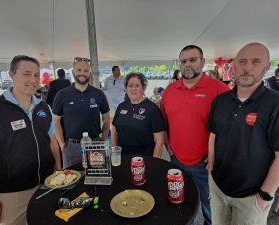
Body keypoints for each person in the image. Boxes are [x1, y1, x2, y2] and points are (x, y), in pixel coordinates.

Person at [0, 55, 61, 225]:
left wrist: (59, 172)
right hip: (13, 195)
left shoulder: (43, 107)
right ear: (11, 74)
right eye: (26, 74)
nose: (33, 80)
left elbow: (52, 142)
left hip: (47, 185)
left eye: (36, 75)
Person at [207, 43, 279, 225]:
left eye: (255, 62)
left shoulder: (274, 104)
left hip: (252, 194)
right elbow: (214, 134)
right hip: (218, 185)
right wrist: (211, 164)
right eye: (242, 62)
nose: (247, 67)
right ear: (235, 65)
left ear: (266, 67)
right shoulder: (220, 101)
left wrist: (265, 194)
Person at [160, 45, 230, 225]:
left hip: (205, 164)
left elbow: (232, 128)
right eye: (183, 61)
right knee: (180, 203)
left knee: (210, 207)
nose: (187, 65)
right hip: (176, 160)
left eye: (192, 60)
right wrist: (170, 149)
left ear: (202, 62)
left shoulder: (220, 90)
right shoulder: (169, 90)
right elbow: (164, 123)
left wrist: (217, 154)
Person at [52, 57, 110, 168]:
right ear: (73, 72)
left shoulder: (98, 94)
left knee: (97, 178)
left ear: (89, 73)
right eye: (79, 70)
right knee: (72, 181)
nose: (82, 73)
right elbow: (55, 121)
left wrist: (102, 139)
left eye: (85, 71)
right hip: (71, 147)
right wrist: (63, 145)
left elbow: (106, 118)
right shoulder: (62, 94)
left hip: (95, 145)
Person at [111, 72, 165, 158]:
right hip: (123, 158)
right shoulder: (121, 106)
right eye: (130, 86)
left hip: (144, 161)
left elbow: (159, 142)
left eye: (137, 86)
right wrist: (115, 152)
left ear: (143, 88)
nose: (133, 89)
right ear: (126, 89)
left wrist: (154, 163)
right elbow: (114, 130)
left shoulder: (152, 109)